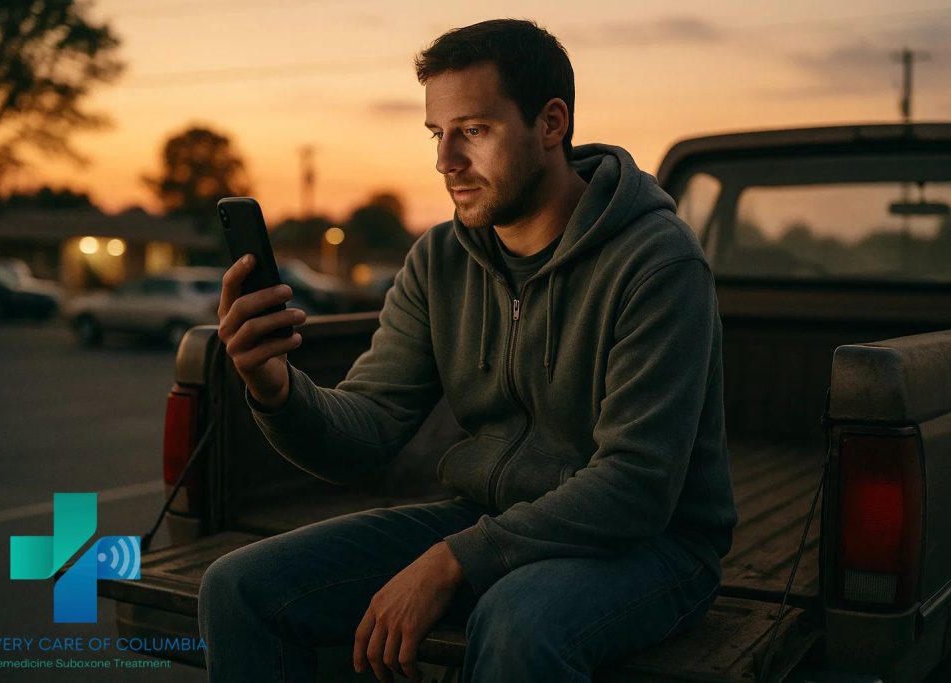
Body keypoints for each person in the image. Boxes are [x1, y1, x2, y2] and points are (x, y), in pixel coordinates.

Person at [200, 18, 738, 683]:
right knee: (238, 587)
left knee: (519, 621)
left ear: (550, 124)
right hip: (488, 519)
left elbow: (636, 486)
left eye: (473, 131)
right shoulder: (439, 260)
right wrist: (275, 389)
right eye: (437, 133)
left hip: (654, 547)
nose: (445, 160)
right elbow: (367, 428)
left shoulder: (657, 262)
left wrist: (454, 559)